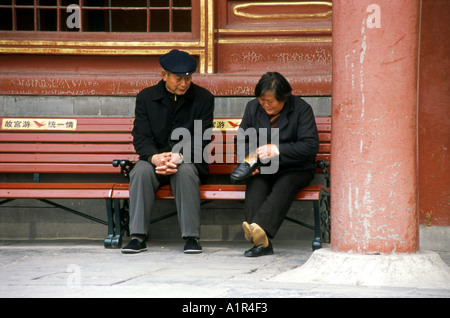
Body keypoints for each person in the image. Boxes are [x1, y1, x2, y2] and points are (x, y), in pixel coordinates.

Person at [121, 49, 214, 254]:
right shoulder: (146, 98)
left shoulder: (203, 98)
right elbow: (141, 137)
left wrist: (178, 157)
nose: (184, 83)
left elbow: (203, 137)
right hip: (154, 160)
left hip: (186, 158)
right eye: (178, 79)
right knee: (140, 172)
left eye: (188, 78)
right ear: (164, 75)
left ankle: (191, 237)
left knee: (186, 171)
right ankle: (137, 236)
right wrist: (154, 157)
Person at [234, 72, 319, 257]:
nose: (265, 104)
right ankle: (262, 242)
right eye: (262, 100)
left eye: (270, 101)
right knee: (255, 184)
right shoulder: (252, 108)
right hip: (264, 167)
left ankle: (257, 229)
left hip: (295, 167)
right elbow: (241, 140)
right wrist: (251, 160)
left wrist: (277, 149)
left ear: (284, 98)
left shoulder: (302, 109)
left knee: (285, 184)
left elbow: (309, 146)